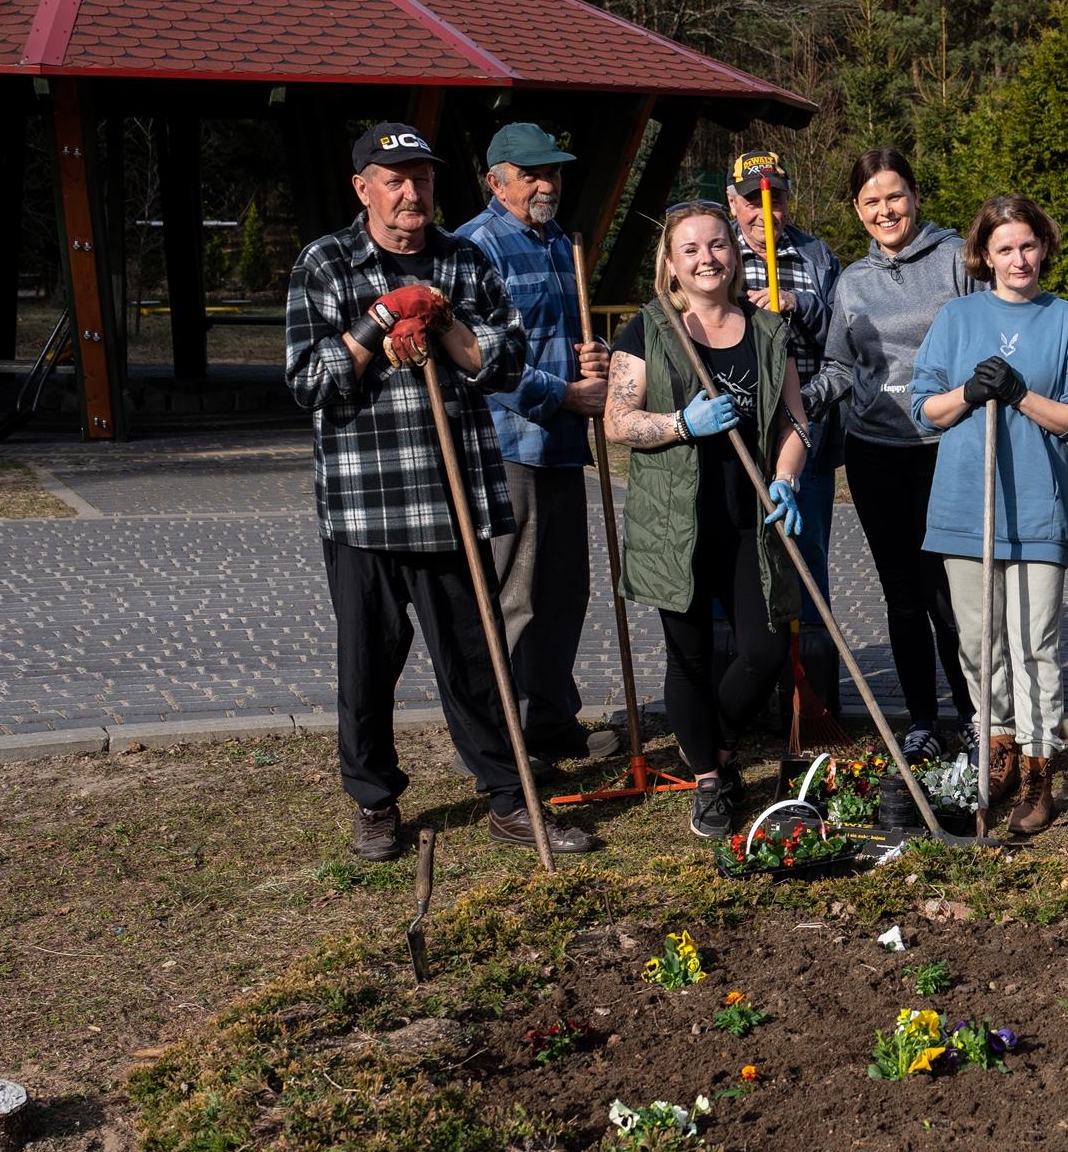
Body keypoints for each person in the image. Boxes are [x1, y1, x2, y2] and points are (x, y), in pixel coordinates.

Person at [285, 120, 598, 860]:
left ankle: (509, 795)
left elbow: (508, 356)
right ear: (363, 188)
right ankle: (374, 800)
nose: (411, 193)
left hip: (452, 495)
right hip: (364, 501)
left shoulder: (460, 258)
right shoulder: (325, 263)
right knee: (369, 659)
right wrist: (379, 320)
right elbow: (308, 380)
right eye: (394, 181)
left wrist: (445, 320)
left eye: (421, 179)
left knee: (475, 655)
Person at [600, 202, 811, 839]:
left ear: (734, 250)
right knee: (689, 655)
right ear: (671, 263)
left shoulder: (769, 332)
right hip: (674, 521)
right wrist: (678, 424)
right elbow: (616, 422)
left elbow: (795, 421)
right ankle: (712, 780)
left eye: (716, 245)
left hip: (751, 516)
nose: (706, 258)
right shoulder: (651, 329)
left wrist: (787, 476)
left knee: (764, 649)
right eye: (690, 249)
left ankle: (711, 743)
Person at [909, 194, 1068, 836]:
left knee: (1034, 647)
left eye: (1028, 245)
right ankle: (992, 757)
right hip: (966, 506)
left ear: (1043, 247)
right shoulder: (957, 317)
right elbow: (923, 409)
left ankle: (1036, 774)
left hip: (1035, 512)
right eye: (1005, 248)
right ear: (984, 256)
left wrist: (1022, 396)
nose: (1018, 258)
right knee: (978, 646)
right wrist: (969, 392)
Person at [806, 149, 978, 764]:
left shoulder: (960, 260)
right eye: (872, 201)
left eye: (894, 196)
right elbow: (840, 367)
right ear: (857, 211)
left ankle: (975, 714)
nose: (886, 210)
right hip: (876, 454)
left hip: (945, 449)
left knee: (950, 593)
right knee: (901, 594)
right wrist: (799, 400)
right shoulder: (851, 282)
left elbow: (989, 337)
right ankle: (923, 718)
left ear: (915, 195)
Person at [454, 121, 611, 761]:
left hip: (564, 445)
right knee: (513, 595)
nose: (548, 184)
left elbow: (559, 339)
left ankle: (551, 719)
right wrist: (564, 394)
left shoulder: (557, 243)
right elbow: (480, 361)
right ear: (496, 180)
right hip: (508, 446)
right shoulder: (473, 247)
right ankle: (505, 739)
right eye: (532, 174)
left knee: (565, 588)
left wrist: (595, 361)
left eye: (554, 171)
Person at [726, 153, 844, 710]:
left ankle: (810, 698)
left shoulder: (816, 255)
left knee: (807, 556)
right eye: (753, 199)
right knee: (737, 556)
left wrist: (799, 305)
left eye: (775, 198)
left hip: (806, 431)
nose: (764, 212)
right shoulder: (715, 252)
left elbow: (843, 343)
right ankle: (741, 693)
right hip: (735, 435)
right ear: (733, 202)